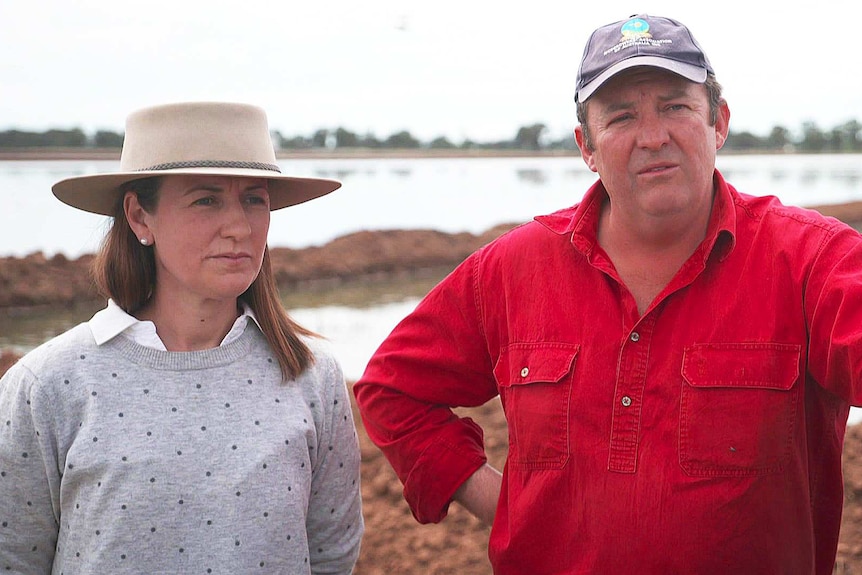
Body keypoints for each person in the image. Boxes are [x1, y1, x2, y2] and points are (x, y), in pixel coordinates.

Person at [353, 13, 862, 574]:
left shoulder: (812, 259)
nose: (653, 136)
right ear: (586, 146)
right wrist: (506, 508)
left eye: (675, 106)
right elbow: (391, 390)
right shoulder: (512, 269)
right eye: (621, 116)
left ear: (718, 121)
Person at [0, 102, 363, 574]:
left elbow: (332, 557)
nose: (238, 227)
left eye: (255, 199)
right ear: (139, 217)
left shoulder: (312, 376)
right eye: (206, 199)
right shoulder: (47, 385)